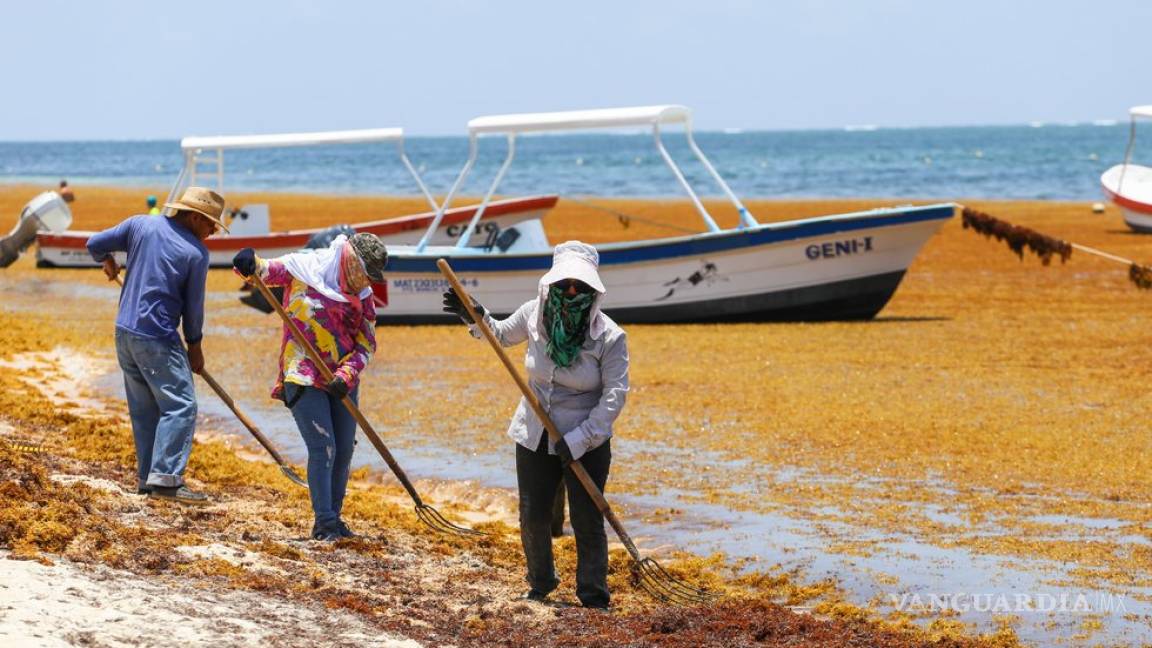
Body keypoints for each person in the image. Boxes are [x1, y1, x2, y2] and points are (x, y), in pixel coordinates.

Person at [442, 240, 629, 609]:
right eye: (565, 284)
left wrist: (578, 440)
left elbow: (614, 397)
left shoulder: (610, 335)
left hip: (586, 438)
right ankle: (541, 583)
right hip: (534, 431)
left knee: (587, 518)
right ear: (551, 285)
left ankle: (593, 594)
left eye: (580, 286)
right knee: (533, 514)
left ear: (593, 289)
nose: (572, 291)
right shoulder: (534, 314)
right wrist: (474, 316)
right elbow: (498, 335)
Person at [232, 232, 387, 541]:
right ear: (349, 261)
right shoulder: (303, 269)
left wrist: (345, 375)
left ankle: (336, 518)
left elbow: (366, 343)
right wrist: (248, 261)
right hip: (302, 373)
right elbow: (262, 271)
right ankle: (325, 522)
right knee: (323, 447)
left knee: (343, 450)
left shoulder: (365, 295)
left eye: (371, 277)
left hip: (341, 381)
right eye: (364, 273)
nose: (365, 282)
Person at [86, 186, 225, 504]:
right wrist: (195, 346)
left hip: (124, 333)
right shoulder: (196, 253)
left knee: (145, 410)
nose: (213, 231)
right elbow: (193, 308)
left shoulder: (140, 225)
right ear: (193, 217)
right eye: (210, 224)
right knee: (182, 406)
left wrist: (106, 260)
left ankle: (147, 480)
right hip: (157, 337)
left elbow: (94, 244)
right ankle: (166, 480)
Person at [0, 181, 75, 268]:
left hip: (32, 215)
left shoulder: (57, 194)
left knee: (17, 241)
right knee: (21, 243)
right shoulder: (60, 196)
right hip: (37, 219)